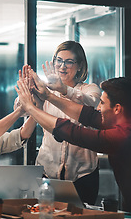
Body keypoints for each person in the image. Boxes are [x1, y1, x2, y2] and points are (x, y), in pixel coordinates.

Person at [15, 71, 131, 216]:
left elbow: (74, 133)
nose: (98, 108)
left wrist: (31, 108)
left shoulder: (123, 136)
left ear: (117, 108)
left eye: (102, 103)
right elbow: (89, 116)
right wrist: (49, 96)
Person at [21, 41, 101, 204]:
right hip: (47, 171)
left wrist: (63, 90)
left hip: (83, 174)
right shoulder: (45, 90)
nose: (62, 66)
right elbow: (21, 108)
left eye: (69, 62)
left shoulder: (90, 89)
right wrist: (29, 91)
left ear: (80, 65)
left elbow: (90, 106)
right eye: (58, 60)